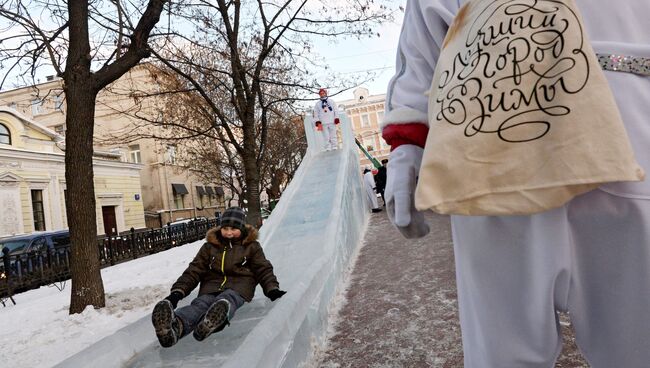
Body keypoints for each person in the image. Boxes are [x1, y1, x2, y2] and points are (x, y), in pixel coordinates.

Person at [381, 1, 650, 367]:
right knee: (504, 353)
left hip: (619, 128)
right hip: (490, 138)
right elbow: (425, 33)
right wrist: (406, 144)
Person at [151, 207, 286, 347]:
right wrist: (177, 293)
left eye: (233, 229)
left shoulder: (251, 247)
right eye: (225, 228)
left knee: (227, 299)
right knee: (199, 305)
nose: (228, 233)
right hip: (211, 286)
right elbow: (194, 270)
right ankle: (175, 327)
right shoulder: (210, 247)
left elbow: (263, 269)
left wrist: (272, 289)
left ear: (242, 228)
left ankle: (215, 320)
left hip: (240, 286)